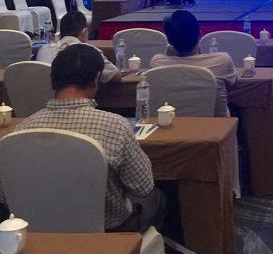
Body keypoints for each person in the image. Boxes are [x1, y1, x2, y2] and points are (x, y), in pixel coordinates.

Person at [2, 44, 164, 232]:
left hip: (38, 236)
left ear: (52, 80)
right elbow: (143, 188)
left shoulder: (20, 131)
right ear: (96, 78)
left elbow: (6, 196)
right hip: (107, 235)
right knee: (158, 198)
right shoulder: (116, 126)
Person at [150, 9, 236, 116]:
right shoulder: (222, 61)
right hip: (215, 125)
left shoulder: (157, 63)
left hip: (171, 123)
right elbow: (233, 87)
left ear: (169, 40)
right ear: (200, 34)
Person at [36, 10, 121, 83]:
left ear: (60, 34)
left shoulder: (43, 50)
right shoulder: (90, 52)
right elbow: (115, 76)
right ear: (84, 32)